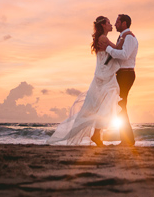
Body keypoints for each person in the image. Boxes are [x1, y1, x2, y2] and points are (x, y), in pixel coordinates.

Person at [46, 16, 122, 146]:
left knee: (101, 106)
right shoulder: (103, 38)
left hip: (102, 75)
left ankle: (96, 135)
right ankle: (96, 135)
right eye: (108, 23)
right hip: (104, 76)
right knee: (105, 104)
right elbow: (117, 51)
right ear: (103, 25)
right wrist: (124, 37)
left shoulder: (102, 38)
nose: (111, 25)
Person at [104, 14, 138, 146]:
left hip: (126, 74)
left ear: (124, 23)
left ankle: (128, 140)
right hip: (122, 74)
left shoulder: (129, 37)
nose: (115, 24)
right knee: (120, 106)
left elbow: (124, 55)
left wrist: (108, 49)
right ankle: (127, 139)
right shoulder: (123, 37)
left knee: (121, 106)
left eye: (117, 22)